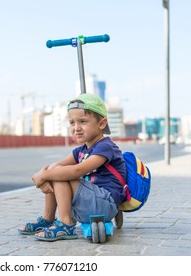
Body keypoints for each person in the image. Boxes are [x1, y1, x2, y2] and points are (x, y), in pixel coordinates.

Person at [18, 93, 126, 241]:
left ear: (101, 124)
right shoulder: (81, 150)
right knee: (56, 170)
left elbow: (77, 170)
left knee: (61, 174)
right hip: (89, 202)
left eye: (83, 121)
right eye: (72, 123)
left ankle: (65, 224)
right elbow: (56, 166)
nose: (76, 128)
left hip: (104, 205)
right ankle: (48, 218)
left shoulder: (106, 147)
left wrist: (43, 177)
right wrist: (44, 175)